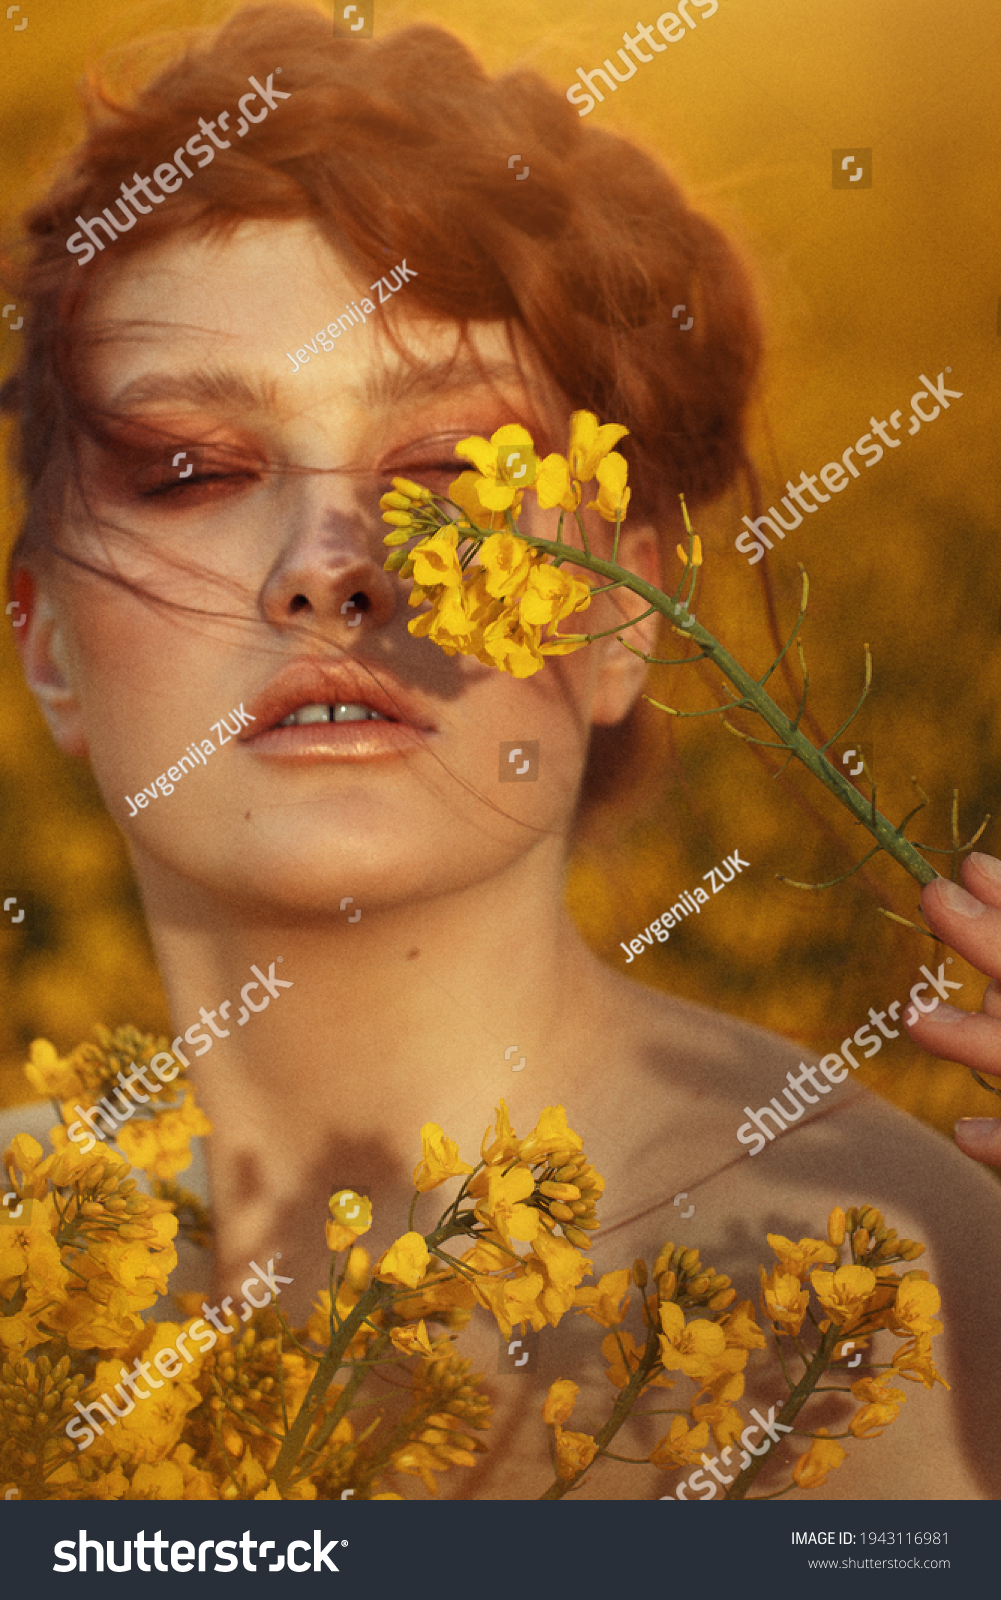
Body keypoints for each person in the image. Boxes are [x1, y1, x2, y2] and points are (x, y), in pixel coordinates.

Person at [2, 4, 999, 1500]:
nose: (330, 569)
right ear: (44, 643)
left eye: (454, 472)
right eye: (192, 470)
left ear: (620, 620)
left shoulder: (905, 1273)